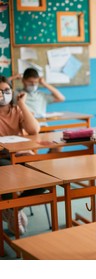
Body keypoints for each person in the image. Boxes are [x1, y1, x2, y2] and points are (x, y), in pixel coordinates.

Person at [0, 75, 40, 235]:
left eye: (6, 90)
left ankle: (12, 209)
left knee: (45, 174)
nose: (3, 94)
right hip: (2, 159)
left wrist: (22, 103)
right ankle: (13, 211)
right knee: (7, 171)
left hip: (20, 155)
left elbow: (34, 130)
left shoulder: (17, 110)